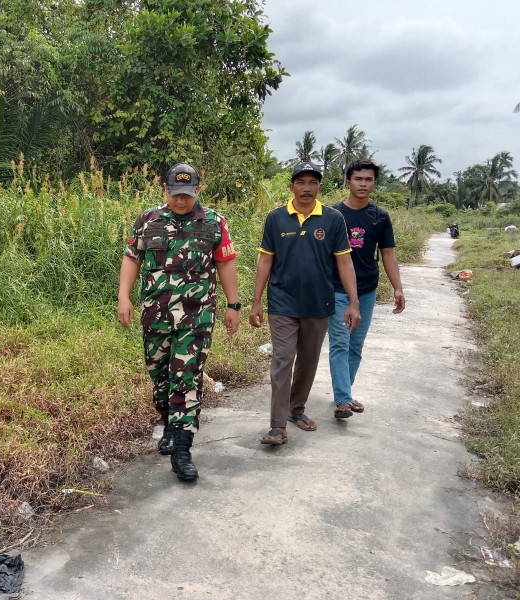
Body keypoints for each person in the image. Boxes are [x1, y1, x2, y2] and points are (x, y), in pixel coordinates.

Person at [118, 162, 241, 481]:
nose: (181, 200)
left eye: (187, 194)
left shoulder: (213, 222)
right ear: (165, 191)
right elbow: (132, 257)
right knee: (159, 376)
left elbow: (225, 263)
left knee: (185, 377)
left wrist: (234, 304)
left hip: (196, 316)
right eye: (175, 194)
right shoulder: (148, 220)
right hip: (155, 316)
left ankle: (183, 449)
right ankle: (170, 423)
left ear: (197, 191)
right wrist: (124, 297)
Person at [249, 161, 360, 445]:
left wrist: (353, 302)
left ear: (320, 187)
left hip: (318, 303)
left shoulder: (333, 219)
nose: (306, 188)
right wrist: (256, 301)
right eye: (301, 182)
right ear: (292, 187)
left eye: (312, 183)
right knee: (283, 359)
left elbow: (345, 261)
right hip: (282, 302)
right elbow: (265, 260)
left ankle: (295, 409)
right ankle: (277, 426)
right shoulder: (276, 218)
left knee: (308, 361)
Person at [328, 160, 405, 419]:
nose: (363, 184)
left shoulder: (380, 217)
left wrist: (398, 288)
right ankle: (342, 400)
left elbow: (388, 253)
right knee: (340, 342)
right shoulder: (333, 215)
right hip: (337, 289)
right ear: (348, 181)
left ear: (374, 183)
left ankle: (344, 393)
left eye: (368, 179)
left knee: (355, 345)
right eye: (358, 179)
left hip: (367, 289)